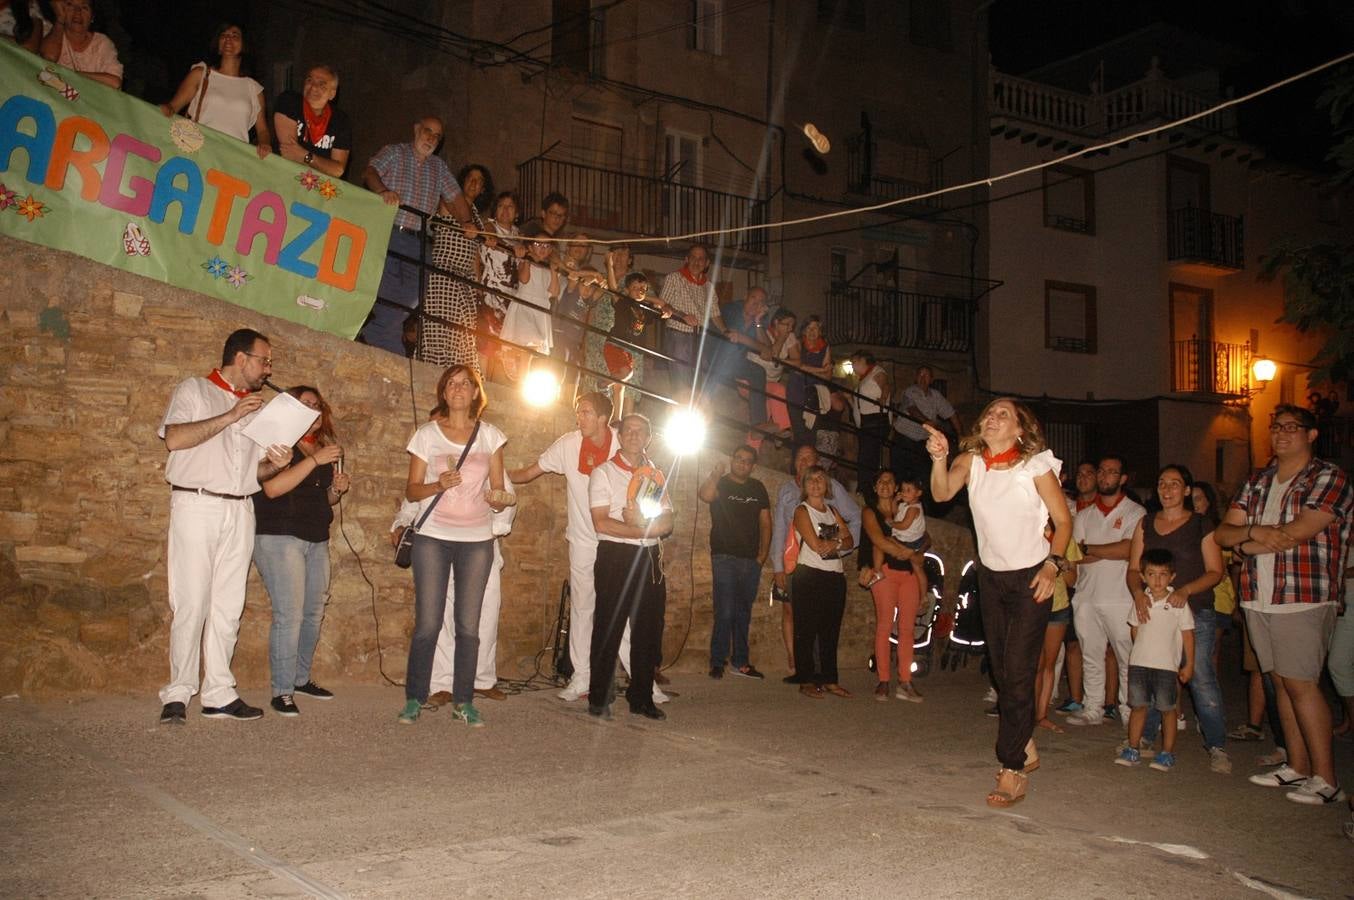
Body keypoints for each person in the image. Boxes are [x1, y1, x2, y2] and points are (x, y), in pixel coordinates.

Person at [925, 398, 1072, 807]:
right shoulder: (972, 461)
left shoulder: (1036, 466)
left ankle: (1012, 768)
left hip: (1031, 580)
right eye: (989, 412)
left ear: (1020, 430)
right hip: (992, 578)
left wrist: (1052, 566)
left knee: (1019, 671)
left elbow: (1063, 522)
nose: (992, 417)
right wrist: (939, 458)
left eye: (1003, 414)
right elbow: (941, 493)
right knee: (1003, 673)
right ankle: (1023, 742)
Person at [1217, 404, 1353, 806]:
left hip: (1303, 596)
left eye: (1292, 428)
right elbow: (1223, 533)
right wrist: (1253, 533)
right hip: (1259, 594)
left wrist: (1246, 542)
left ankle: (1327, 779)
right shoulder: (1259, 479)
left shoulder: (1327, 476)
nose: (1281, 434)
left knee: (1301, 684)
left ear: (1312, 435)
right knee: (1279, 682)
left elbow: (1298, 532)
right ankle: (1297, 766)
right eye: (1276, 427)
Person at [156, 329, 291, 725]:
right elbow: (175, 439)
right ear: (240, 358)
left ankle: (218, 691)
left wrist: (275, 465)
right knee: (191, 601)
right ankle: (178, 693)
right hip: (197, 504)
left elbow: (255, 471)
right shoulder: (195, 390)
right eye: (264, 360)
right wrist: (232, 414)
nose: (268, 369)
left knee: (229, 606)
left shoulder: (256, 409)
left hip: (241, 508)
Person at [508, 393, 668, 706]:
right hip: (583, 540)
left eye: (586, 412)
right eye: (578, 411)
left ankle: (642, 682)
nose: (579, 417)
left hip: (619, 543)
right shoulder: (567, 443)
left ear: (603, 419)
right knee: (582, 610)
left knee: (625, 616)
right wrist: (491, 474)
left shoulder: (622, 447)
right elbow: (528, 473)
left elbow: (650, 498)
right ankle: (581, 677)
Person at [398, 365, 510, 727]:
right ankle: (414, 697)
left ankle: (464, 700)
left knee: (468, 625)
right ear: (443, 393)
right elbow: (411, 489)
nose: (459, 389)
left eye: (465, 384)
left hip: (476, 540)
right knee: (428, 623)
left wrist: (498, 499)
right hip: (433, 535)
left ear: (476, 392)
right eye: (452, 384)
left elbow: (496, 489)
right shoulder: (427, 435)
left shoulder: (490, 436)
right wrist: (437, 485)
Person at [251, 386, 350, 716]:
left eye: (317, 405)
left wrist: (336, 491)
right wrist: (315, 462)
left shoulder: (318, 448)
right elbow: (273, 488)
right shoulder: (278, 445)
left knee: (312, 612)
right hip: (280, 536)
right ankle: (281, 691)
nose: (313, 410)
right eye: (305, 404)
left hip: (316, 537)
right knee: (289, 615)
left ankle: (299, 678)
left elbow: (324, 500)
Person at [1126, 464, 1228, 772]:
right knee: (1156, 673)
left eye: (1174, 484)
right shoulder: (1145, 523)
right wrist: (1139, 595)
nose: (1166, 489)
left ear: (1186, 490)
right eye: (1161, 483)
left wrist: (1185, 590)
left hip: (1195, 610)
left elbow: (1215, 571)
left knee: (1200, 677)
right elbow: (1133, 569)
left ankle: (1217, 744)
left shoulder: (1201, 524)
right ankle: (1145, 738)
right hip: (1155, 613)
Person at [359, 116, 472, 355]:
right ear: (416, 130)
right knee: (387, 295)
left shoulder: (439, 167)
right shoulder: (395, 152)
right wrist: (383, 191)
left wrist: (467, 222)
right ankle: (391, 346)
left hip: (420, 241)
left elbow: (455, 197)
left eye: (436, 135)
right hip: (389, 232)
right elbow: (370, 172)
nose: (430, 138)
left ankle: (373, 333)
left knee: (414, 295)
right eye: (427, 131)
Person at [587, 414, 674, 721]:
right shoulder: (604, 473)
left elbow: (668, 520)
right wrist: (643, 530)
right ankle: (599, 696)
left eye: (641, 431)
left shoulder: (655, 475)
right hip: (616, 555)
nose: (635, 436)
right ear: (620, 436)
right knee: (608, 626)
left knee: (648, 631)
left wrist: (647, 528)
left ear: (648, 438)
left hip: (649, 559)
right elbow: (601, 521)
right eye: (629, 431)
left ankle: (641, 697)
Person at [1065, 455, 1146, 728]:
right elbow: (1075, 554)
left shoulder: (1135, 512)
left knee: (1126, 656)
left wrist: (1092, 549)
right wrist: (1107, 550)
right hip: (1086, 595)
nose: (1104, 476)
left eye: (1112, 472)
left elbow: (1129, 549)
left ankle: (1127, 708)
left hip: (1120, 597)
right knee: (1091, 652)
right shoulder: (1084, 515)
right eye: (1101, 471)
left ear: (1122, 479)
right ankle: (1093, 706)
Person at [771, 444, 862, 675]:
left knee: (819, 618)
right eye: (799, 458)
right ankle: (797, 662)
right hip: (796, 563)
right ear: (794, 463)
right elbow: (780, 530)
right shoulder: (788, 492)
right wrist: (778, 565)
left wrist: (839, 549)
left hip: (824, 566)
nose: (803, 462)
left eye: (808, 458)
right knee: (793, 613)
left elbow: (854, 518)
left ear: (818, 463)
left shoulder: (832, 489)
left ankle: (816, 668)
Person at [1115, 548, 1195, 772]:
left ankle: (1167, 752)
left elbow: (1188, 634)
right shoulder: (1142, 601)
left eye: (1163, 574)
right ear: (1143, 576)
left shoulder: (1178, 603)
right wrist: (1138, 653)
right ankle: (1132, 748)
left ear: (1172, 577)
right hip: (1140, 663)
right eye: (1151, 574)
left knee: (1167, 709)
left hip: (1166, 666)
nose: (1157, 580)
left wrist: (1188, 664)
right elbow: (1134, 630)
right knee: (1138, 706)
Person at [698, 445, 771, 680]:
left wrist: (762, 556)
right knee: (726, 610)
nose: (742, 463)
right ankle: (718, 661)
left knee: (743, 612)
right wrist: (715, 474)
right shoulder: (721, 482)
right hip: (724, 557)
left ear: (753, 466)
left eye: (748, 461)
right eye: (738, 459)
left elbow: (766, 523)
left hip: (750, 560)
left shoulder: (757, 487)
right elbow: (705, 495)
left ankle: (740, 662)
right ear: (732, 459)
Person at [789, 465, 856, 699]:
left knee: (830, 631)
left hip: (834, 576)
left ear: (826, 484)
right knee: (806, 630)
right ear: (804, 485)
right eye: (811, 479)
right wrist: (837, 539)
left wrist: (836, 542)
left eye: (820, 479)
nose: (816, 483)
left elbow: (849, 541)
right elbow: (816, 545)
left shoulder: (833, 511)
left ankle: (830, 679)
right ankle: (806, 679)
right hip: (809, 575)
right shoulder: (801, 511)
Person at [859, 470, 925, 702]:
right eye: (881, 482)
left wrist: (918, 553)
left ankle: (905, 681)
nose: (885, 485)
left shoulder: (906, 509)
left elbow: (926, 536)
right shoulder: (870, 512)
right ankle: (884, 680)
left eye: (890, 481)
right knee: (885, 625)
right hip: (885, 571)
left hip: (908, 574)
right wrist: (910, 554)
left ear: (896, 487)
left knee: (907, 628)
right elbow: (878, 540)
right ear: (875, 488)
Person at [159, 23, 269, 155]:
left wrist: (265, 144)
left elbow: (263, 131)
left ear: (244, 45)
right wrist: (164, 109)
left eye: (235, 36)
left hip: (234, 157)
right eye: (224, 35)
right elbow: (173, 107)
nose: (228, 39)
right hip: (201, 152)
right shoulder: (201, 74)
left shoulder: (253, 88)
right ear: (218, 44)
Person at [421, 163, 491, 368]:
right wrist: (464, 222)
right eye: (470, 178)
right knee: (439, 326)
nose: (474, 183)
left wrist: (477, 287)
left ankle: (458, 372)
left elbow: (476, 254)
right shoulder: (449, 200)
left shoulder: (477, 216)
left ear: (482, 189)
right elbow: (450, 205)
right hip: (444, 273)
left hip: (466, 280)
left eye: (479, 181)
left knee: (463, 333)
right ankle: (433, 368)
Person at [1036, 523, 1081, 731]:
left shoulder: (1065, 537)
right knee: (1033, 663)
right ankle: (1027, 714)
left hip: (1058, 605)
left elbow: (1072, 581)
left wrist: (1062, 565)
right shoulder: (1029, 531)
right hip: (1032, 604)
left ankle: (1041, 715)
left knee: (1049, 664)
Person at [499, 222, 558, 379]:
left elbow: (553, 292)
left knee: (531, 347)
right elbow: (524, 279)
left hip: (540, 308)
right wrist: (527, 260)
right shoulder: (526, 261)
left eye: (547, 246)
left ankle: (522, 377)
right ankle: (521, 377)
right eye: (538, 244)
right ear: (531, 246)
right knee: (527, 344)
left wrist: (553, 270)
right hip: (525, 305)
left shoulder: (548, 267)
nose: (543, 248)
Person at [272, 64, 352, 178]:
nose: (313, 87)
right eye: (309, 80)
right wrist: (322, 164)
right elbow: (289, 153)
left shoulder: (341, 120)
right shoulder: (290, 101)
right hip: (282, 177)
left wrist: (306, 156)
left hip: (317, 190)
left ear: (332, 94)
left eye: (321, 85)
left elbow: (338, 170)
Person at [475, 190, 523, 375]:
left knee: (508, 350)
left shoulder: (520, 236)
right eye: (501, 206)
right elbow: (487, 239)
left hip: (511, 300)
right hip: (489, 296)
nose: (505, 210)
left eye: (510, 206)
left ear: (517, 213)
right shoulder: (489, 226)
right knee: (486, 345)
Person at [893, 366, 962, 479]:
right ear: (916, 377)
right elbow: (911, 408)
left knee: (922, 474)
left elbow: (951, 413)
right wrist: (926, 421)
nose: (923, 378)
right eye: (920, 374)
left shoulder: (936, 396)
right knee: (901, 474)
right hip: (904, 438)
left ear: (931, 379)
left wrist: (960, 434)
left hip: (922, 442)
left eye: (926, 375)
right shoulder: (910, 391)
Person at [658, 244, 712, 385]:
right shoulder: (674, 278)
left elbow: (715, 312)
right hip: (678, 335)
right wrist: (682, 316)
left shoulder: (708, 286)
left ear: (707, 263)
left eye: (701, 258)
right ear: (686, 260)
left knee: (701, 381)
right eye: (693, 257)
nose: (696, 261)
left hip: (698, 337)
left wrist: (725, 331)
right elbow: (662, 304)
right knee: (681, 381)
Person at [40, 0, 120, 89]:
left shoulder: (101, 42)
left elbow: (114, 82)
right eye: (70, 5)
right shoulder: (51, 33)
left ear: (92, 16)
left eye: (84, 7)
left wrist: (70, 75)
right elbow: (48, 57)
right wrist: (60, 19)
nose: (77, 11)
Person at [850, 350, 890, 495]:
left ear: (862, 361)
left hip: (875, 421)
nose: (853, 366)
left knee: (867, 456)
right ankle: (865, 487)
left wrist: (883, 399)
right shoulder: (863, 379)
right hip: (865, 423)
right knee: (865, 455)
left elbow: (885, 384)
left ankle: (866, 489)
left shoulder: (876, 372)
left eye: (854, 362)